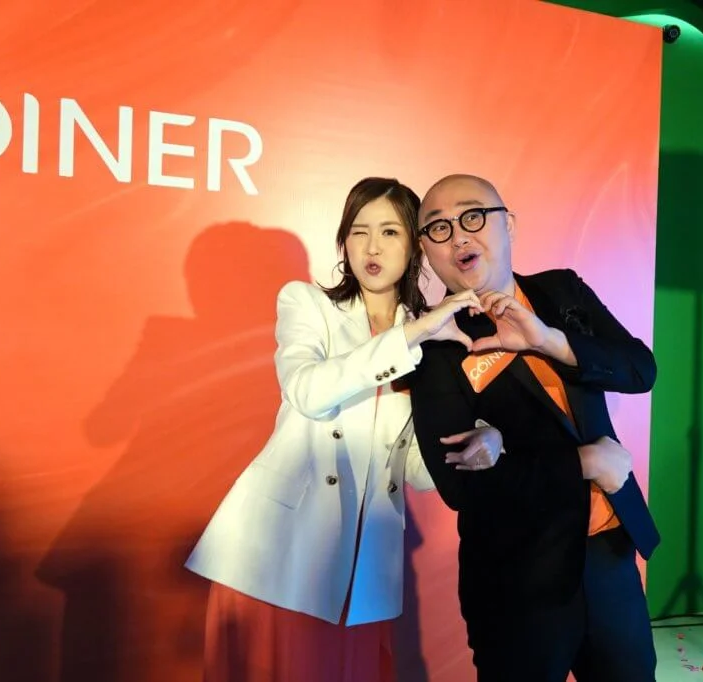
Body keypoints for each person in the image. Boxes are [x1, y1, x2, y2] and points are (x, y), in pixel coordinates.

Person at [184, 177, 500, 682]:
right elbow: (307, 391)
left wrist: (484, 436)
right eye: (359, 231)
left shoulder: (435, 335)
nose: (372, 247)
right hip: (281, 555)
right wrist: (412, 333)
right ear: (343, 241)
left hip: (362, 567)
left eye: (390, 232)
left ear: (415, 245)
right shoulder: (308, 303)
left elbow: (416, 470)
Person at [408, 174, 662, 682]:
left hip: (608, 554)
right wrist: (584, 463)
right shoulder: (435, 347)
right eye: (438, 227)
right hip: (518, 579)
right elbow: (462, 487)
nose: (457, 236)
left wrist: (549, 341)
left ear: (509, 226)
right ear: (426, 251)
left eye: (472, 216)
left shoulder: (561, 292)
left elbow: (640, 370)